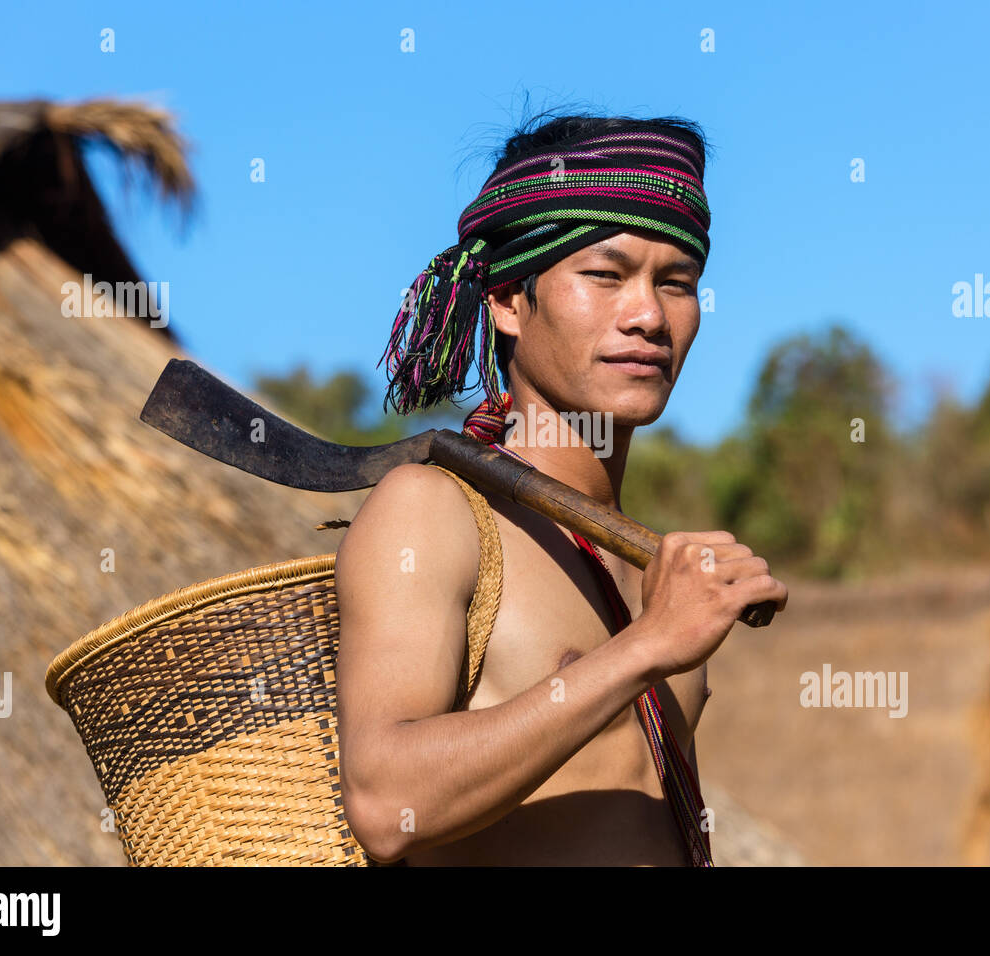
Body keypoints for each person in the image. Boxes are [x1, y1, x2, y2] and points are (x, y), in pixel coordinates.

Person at [333, 112, 788, 866]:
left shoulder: (655, 577)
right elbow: (385, 802)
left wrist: (655, 632)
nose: (648, 316)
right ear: (509, 302)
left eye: (677, 283)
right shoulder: (432, 513)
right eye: (605, 276)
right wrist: (645, 648)